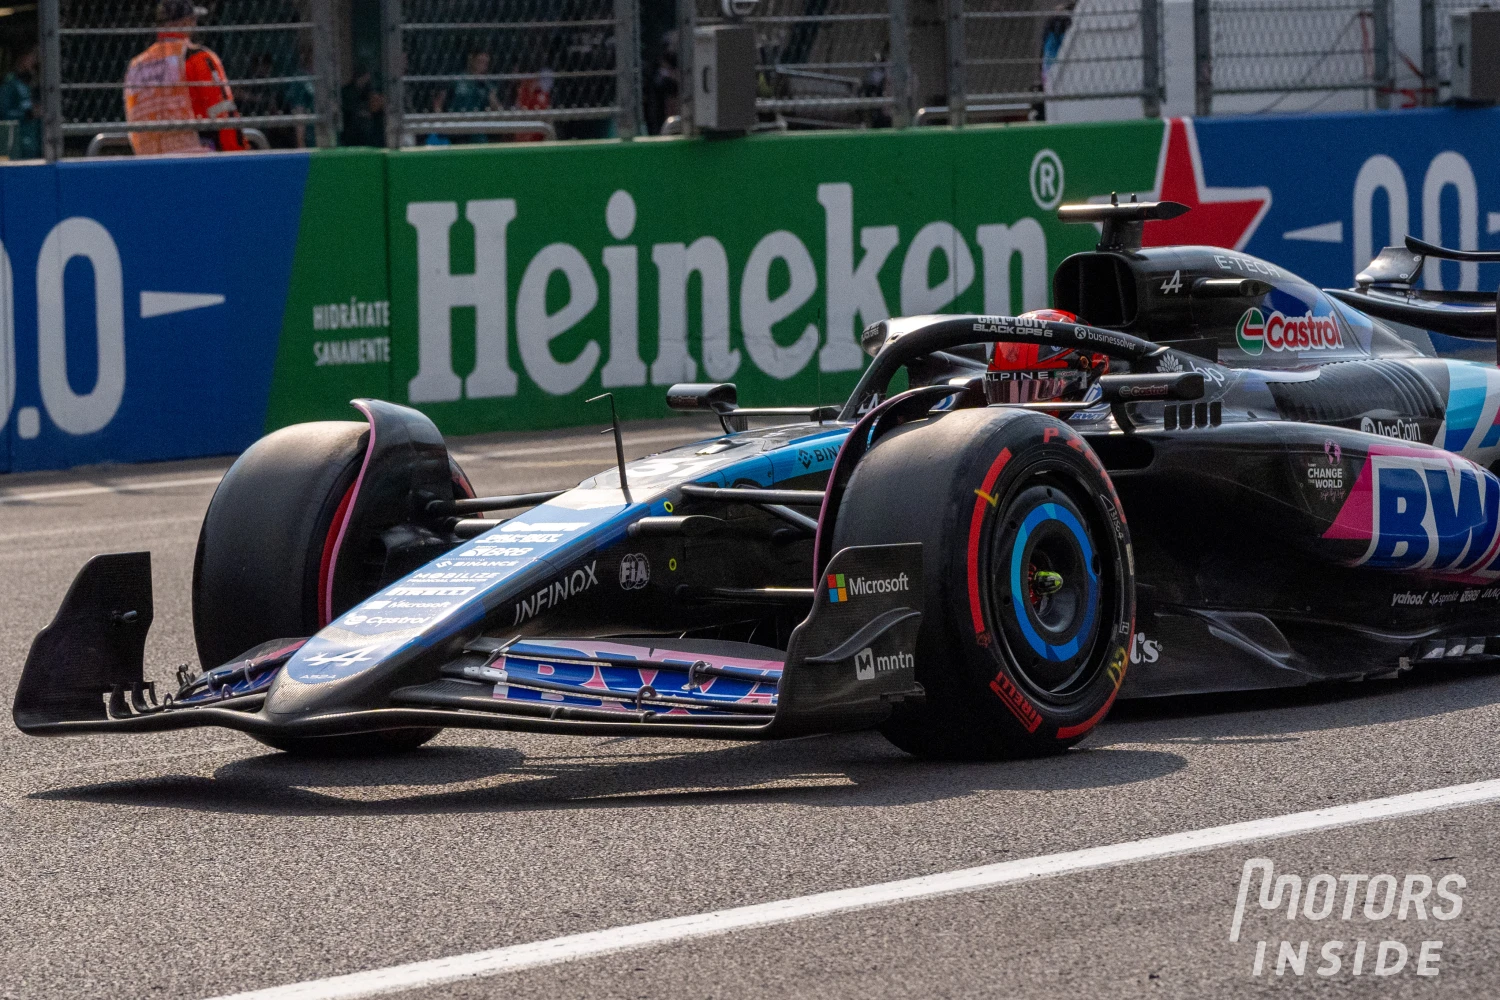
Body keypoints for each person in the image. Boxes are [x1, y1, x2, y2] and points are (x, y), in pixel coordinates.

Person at [124, 0, 247, 155]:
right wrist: (239, 156)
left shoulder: (136, 67)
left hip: (150, 163)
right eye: (194, 19)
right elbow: (223, 114)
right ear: (186, 21)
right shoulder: (198, 58)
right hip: (196, 159)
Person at [0, 44, 41, 160]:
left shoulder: (31, 83)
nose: (34, 61)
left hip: (34, 144)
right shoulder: (10, 83)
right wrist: (27, 114)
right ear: (22, 58)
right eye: (31, 57)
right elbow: (3, 114)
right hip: (16, 145)